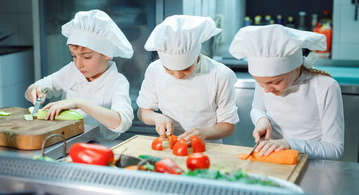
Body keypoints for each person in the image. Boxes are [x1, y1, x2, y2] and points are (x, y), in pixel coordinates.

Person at [229, 24, 344, 159]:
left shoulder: (325, 86)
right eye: (261, 82)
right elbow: (258, 108)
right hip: (274, 162)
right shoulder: (266, 82)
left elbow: (334, 149)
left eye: (276, 82)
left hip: (313, 168)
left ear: (296, 67)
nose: (266, 90)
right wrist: (262, 120)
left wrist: (290, 144)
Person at [25, 9, 134, 140]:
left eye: (87, 57)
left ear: (107, 54)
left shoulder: (117, 82)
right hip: (65, 141)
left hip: (101, 148)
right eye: (73, 56)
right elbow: (38, 86)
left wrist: (80, 103)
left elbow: (122, 123)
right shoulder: (71, 71)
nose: (78, 64)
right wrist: (35, 90)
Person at [136, 15, 239, 143]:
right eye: (168, 69)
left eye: (186, 69)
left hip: (207, 147)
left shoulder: (220, 75)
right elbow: (143, 111)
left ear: (196, 56)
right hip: (170, 145)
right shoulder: (154, 69)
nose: (178, 76)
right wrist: (157, 118)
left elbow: (228, 125)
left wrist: (204, 133)